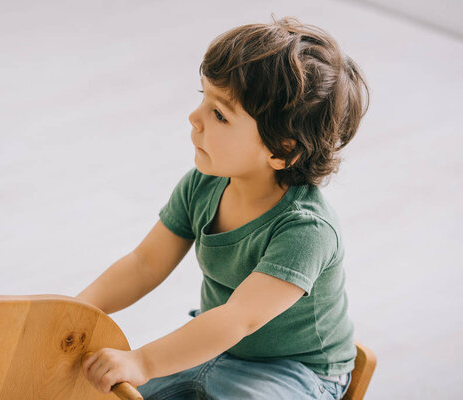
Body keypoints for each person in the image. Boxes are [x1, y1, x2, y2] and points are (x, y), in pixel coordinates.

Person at [76, 14, 369, 400]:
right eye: (203, 98)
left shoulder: (306, 231)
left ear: (281, 150)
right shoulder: (204, 184)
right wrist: (78, 309)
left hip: (296, 370)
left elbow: (240, 318)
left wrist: (144, 361)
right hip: (217, 344)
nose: (194, 118)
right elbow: (145, 263)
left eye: (219, 114)